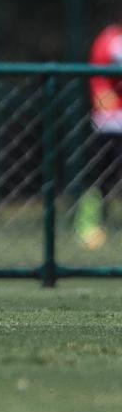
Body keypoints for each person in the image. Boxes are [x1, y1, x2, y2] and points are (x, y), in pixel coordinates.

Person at [77, 22, 122, 249]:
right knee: (102, 178)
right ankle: (90, 224)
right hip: (111, 122)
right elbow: (100, 82)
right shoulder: (111, 39)